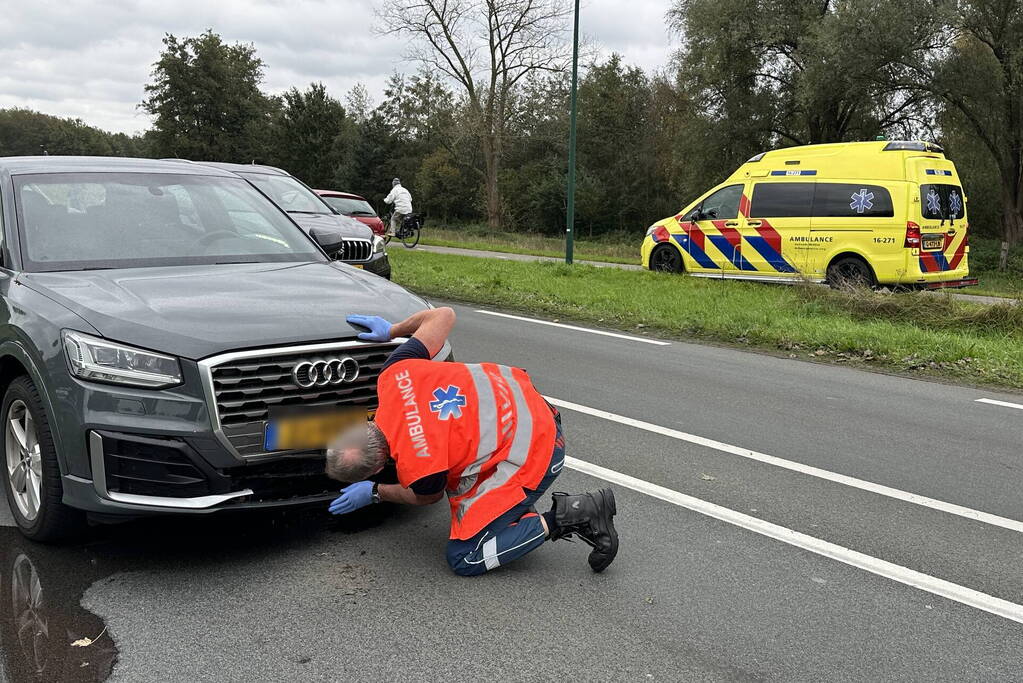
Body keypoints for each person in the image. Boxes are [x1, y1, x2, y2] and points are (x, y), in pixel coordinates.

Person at [326, 307, 619, 576]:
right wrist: (393, 331)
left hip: (541, 447)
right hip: (531, 404)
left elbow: (428, 497)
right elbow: (443, 316)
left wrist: (376, 492)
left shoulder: (420, 468)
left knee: (464, 557)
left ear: (378, 467)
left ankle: (573, 514)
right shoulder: (393, 374)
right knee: (465, 478)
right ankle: (511, 515)